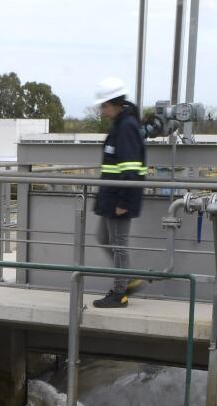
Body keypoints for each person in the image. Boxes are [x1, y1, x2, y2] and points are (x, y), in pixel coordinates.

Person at [91, 77, 147, 308]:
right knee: (105, 239)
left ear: (114, 104)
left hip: (119, 199)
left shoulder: (126, 127)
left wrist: (124, 201)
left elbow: (132, 168)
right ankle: (129, 279)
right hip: (111, 196)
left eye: (103, 105)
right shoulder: (120, 125)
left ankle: (120, 293)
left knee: (118, 244)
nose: (101, 110)